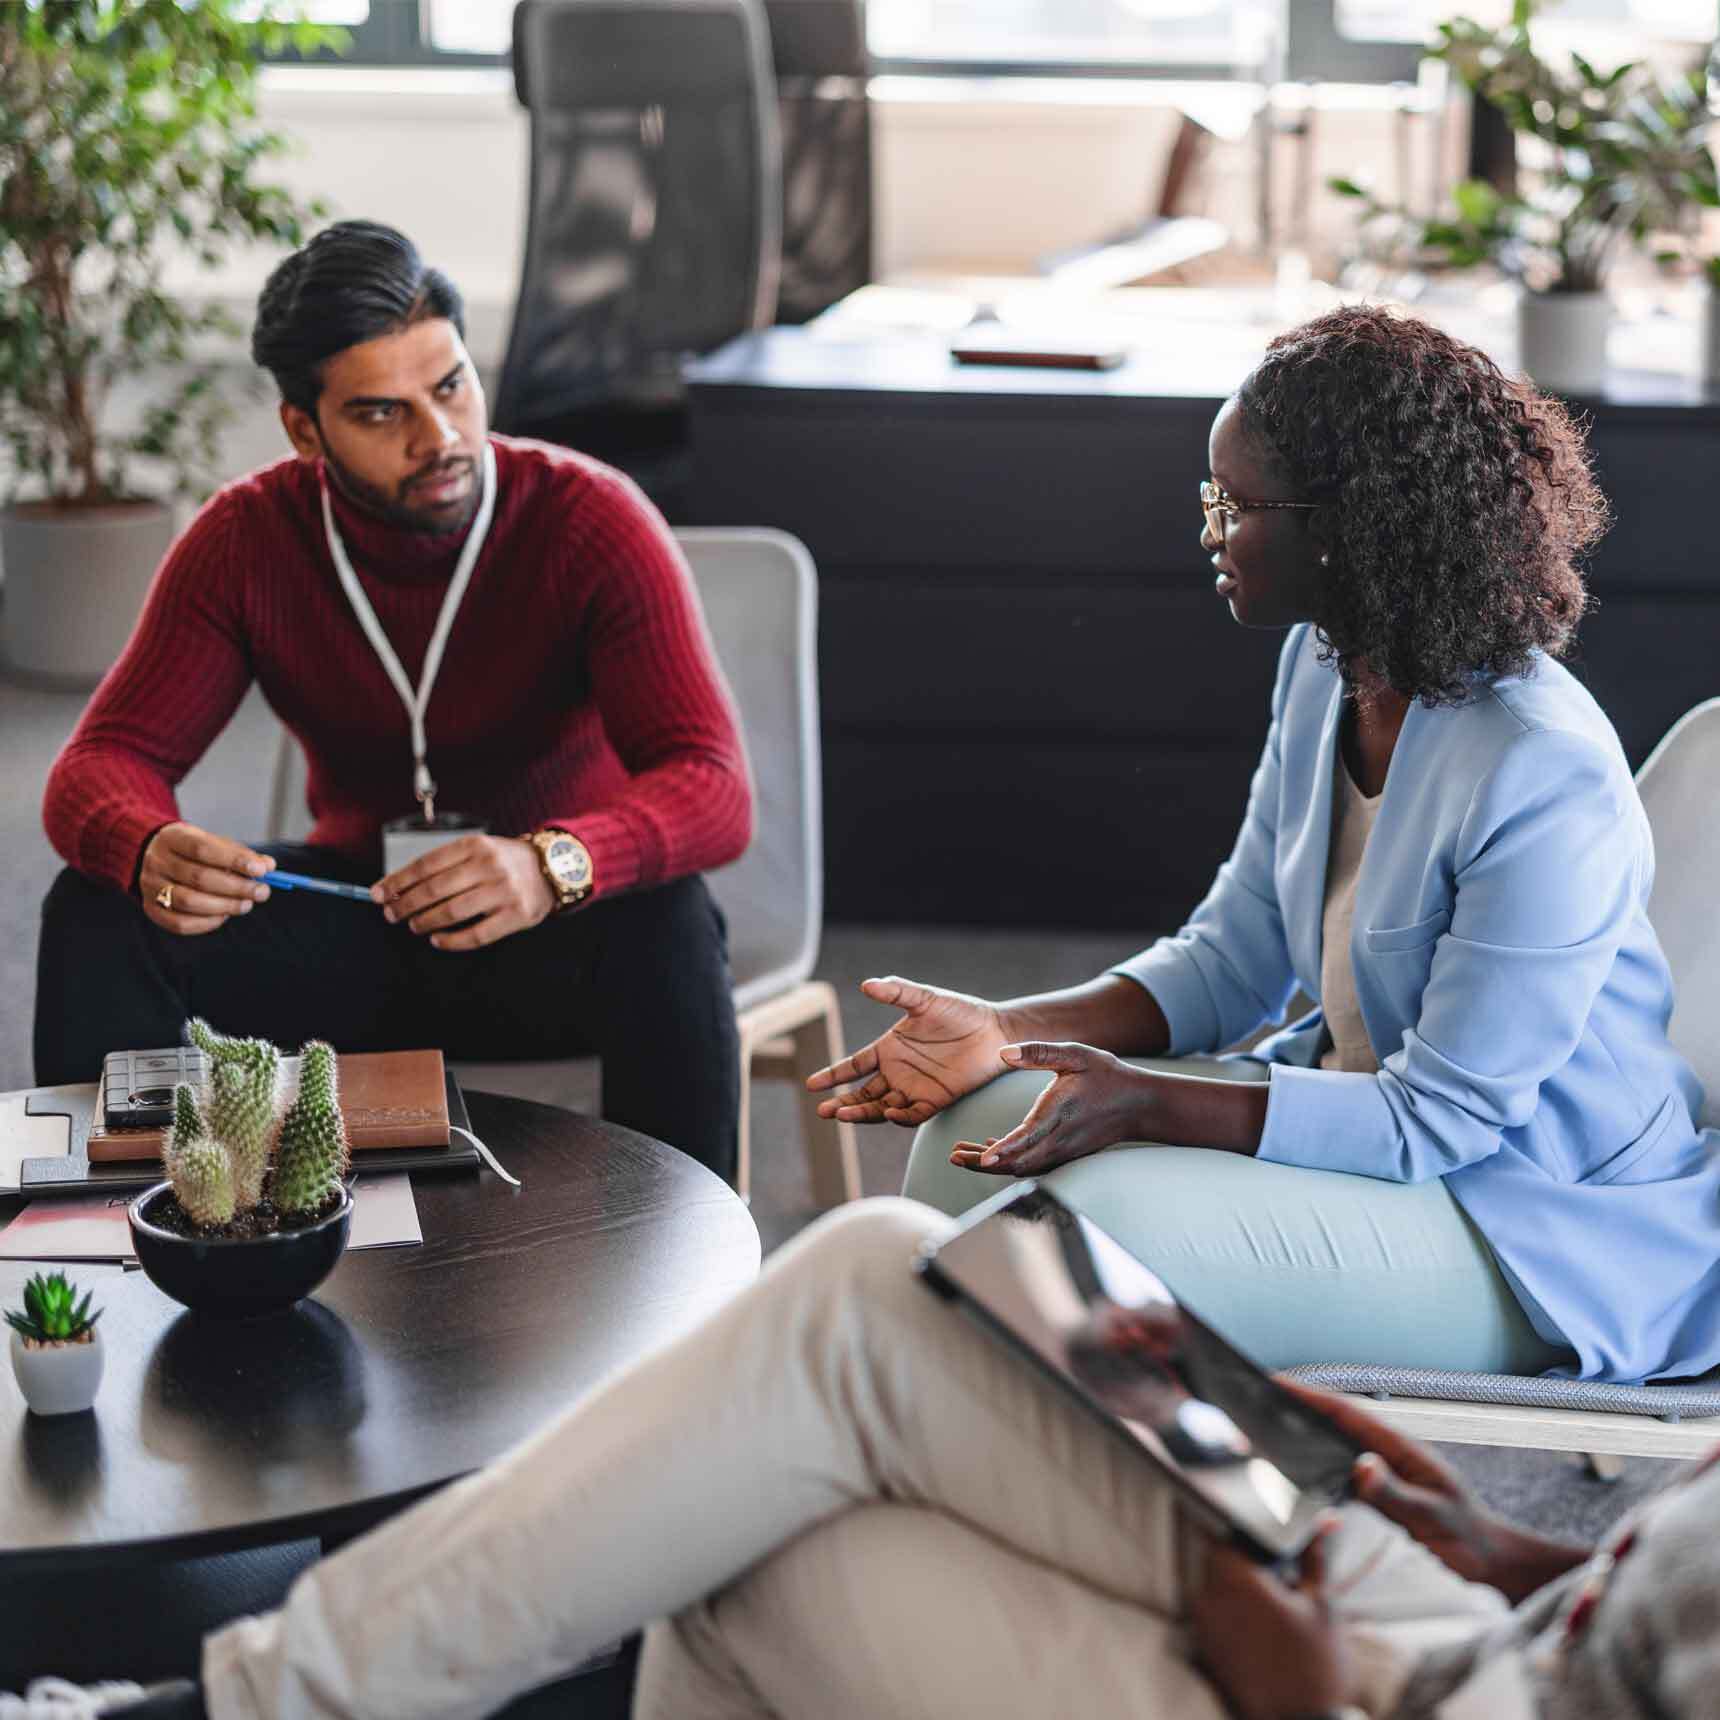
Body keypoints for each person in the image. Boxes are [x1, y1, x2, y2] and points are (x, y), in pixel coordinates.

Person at [808, 305, 1720, 1385]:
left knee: (1089, 1237)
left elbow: (1445, 1119)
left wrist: (1144, 1097)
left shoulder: (1538, 765)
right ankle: (955, 1467)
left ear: (1351, 524)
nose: (1207, 530)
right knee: (976, 1130)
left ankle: (1046, 1498)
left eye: (1233, 505)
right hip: (1377, 1136)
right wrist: (1004, 1032)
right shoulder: (1326, 667)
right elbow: (1233, 956)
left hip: (1534, 1221)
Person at [4, 1199, 1712, 1719]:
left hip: (1387, 1705)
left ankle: (229, 1716)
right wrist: (1536, 1550)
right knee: (890, 1261)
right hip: (1490, 1630)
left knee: (760, 1540)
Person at [34, 221, 751, 1183]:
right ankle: (118, 1242)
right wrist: (147, 846)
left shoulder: (590, 518)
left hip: (545, 930)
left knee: (670, 918)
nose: (440, 436)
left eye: (450, 386)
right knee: (99, 905)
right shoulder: (247, 539)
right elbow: (97, 766)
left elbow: (712, 785)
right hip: (357, 915)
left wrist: (550, 863)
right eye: (381, 414)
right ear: (304, 429)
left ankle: (688, 1280)